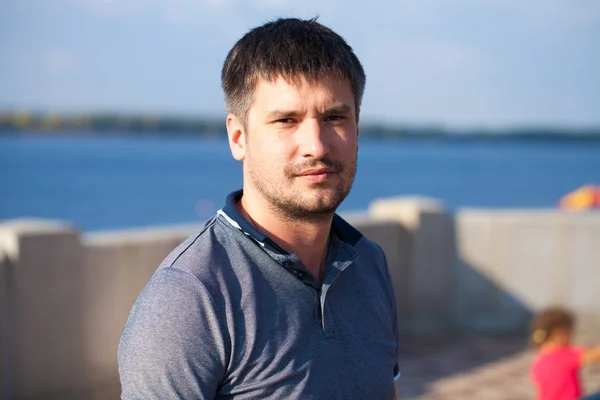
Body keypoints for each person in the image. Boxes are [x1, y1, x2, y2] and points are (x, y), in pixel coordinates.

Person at [118, 17, 400, 399]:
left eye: (335, 117)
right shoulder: (190, 295)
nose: (316, 146)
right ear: (238, 137)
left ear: (357, 128)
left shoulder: (368, 263)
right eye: (286, 120)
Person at [529, 307, 600, 400]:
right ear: (560, 334)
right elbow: (593, 355)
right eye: (569, 332)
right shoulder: (564, 355)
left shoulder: (538, 360)